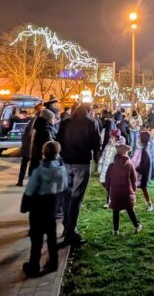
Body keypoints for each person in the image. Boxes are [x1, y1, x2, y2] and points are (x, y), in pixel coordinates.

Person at [21, 141, 68, 277]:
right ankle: (53, 262)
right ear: (58, 154)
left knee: (36, 238)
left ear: (43, 153)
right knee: (51, 236)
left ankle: (34, 265)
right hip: (52, 206)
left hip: (38, 207)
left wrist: (25, 205)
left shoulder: (39, 171)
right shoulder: (61, 169)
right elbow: (64, 187)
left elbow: (30, 190)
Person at [56, 105, 101, 247]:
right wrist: (96, 157)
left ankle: (66, 226)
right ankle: (71, 230)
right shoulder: (91, 123)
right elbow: (96, 142)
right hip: (82, 161)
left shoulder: (65, 123)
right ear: (87, 112)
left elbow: (58, 140)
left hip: (66, 161)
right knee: (76, 197)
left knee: (67, 195)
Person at [105, 144, 142, 236]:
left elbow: (107, 180)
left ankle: (115, 230)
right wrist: (133, 191)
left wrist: (109, 190)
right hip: (126, 192)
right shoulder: (129, 165)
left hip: (115, 193)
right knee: (130, 209)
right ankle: (136, 226)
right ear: (126, 153)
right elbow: (134, 180)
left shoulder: (111, 165)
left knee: (115, 210)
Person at [99, 129, 125, 207]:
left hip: (113, 167)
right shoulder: (108, 143)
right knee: (103, 181)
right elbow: (104, 153)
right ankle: (112, 197)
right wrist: (100, 163)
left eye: (112, 135)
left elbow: (120, 156)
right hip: (105, 166)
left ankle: (110, 200)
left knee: (111, 184)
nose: (111, 137)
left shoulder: (120, 146)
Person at [17, 106, 41, 187]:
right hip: (31, 146)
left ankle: (20, 180)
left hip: (28, 146)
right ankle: (26, 181)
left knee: (25, 163)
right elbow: (31, 133)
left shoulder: (33, 120)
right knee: (32, 165)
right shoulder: (36, 120)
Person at [131, 129, 154, 211]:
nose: (137, 139)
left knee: (144, 189)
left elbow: (144, 166)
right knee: (132, 188)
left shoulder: (144, 151)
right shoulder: (139, 149)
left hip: (141, 175)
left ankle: (149, 204)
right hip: (136, 173)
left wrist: (136, 169)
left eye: (139, 138)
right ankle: (131, 204)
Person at [29, 109, 57, 175]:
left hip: (36, 162)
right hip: (43, 163)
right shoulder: (45, 130)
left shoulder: (39, 126)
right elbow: (50, 146)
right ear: (48, 119)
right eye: (52, 118)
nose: (53, 120)